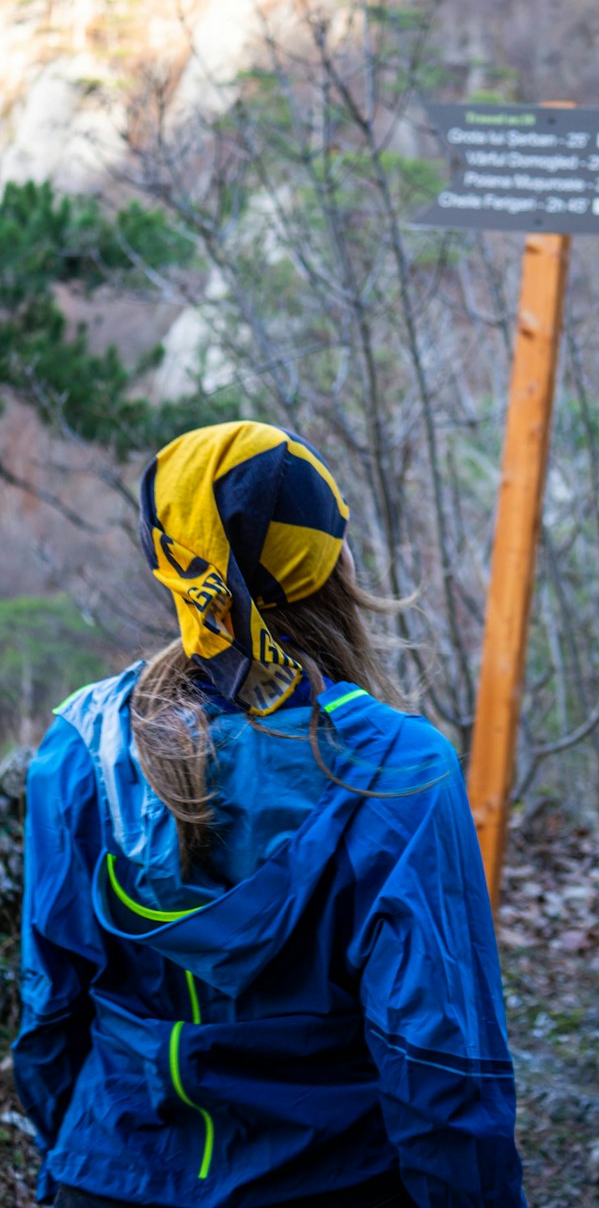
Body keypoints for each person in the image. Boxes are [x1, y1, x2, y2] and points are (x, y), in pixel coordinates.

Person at [14, 420, 526, 1208]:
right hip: (327, 1182)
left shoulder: (82, 746)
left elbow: (50, 1015)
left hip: (108, 1176)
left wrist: (80, 1159)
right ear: (329, 564)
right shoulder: (398, 771)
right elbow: (441, 1062)